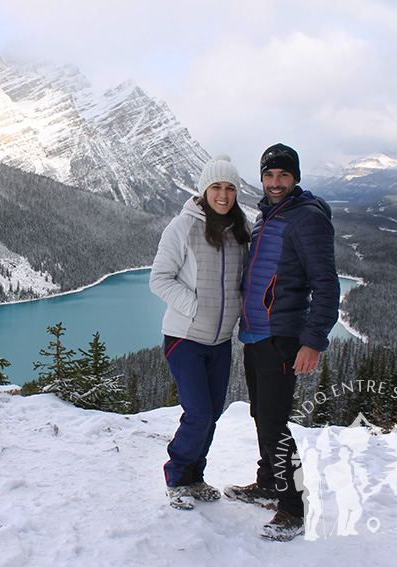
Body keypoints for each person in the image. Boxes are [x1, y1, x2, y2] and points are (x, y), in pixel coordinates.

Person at [223, 143, 339, 542]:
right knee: (261, 414)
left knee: (274, 421)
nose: (275, 183)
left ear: (296, 178)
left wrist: (313, 341)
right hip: (256, 332)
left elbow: (327, 285)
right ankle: (269, 483)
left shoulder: (306, 219)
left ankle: (293, 506)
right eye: (269, 176)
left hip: (283, 336)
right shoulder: (268, 214)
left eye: (283, 176)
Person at [150, 154, 250, 510]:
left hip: (220, 341)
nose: (223, 195)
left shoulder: (241, 230)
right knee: (198, 413)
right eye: (216, 187)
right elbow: (159, 279)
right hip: (185, 338)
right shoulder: (182, 227)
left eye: (230, 188)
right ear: (204, 189)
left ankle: (195, 476)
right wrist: (194, 306)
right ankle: (175, 475)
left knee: (213, 413)